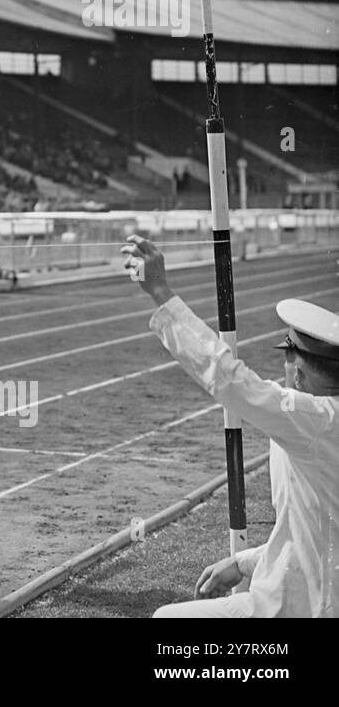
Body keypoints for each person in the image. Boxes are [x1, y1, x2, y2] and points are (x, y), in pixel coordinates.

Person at [122, 235, 339, 618]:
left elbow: (230, 380)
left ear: (299, 369)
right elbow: (311, 529)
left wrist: (160, 290)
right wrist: (245, 562)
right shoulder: (319, 420)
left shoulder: (313, 421)